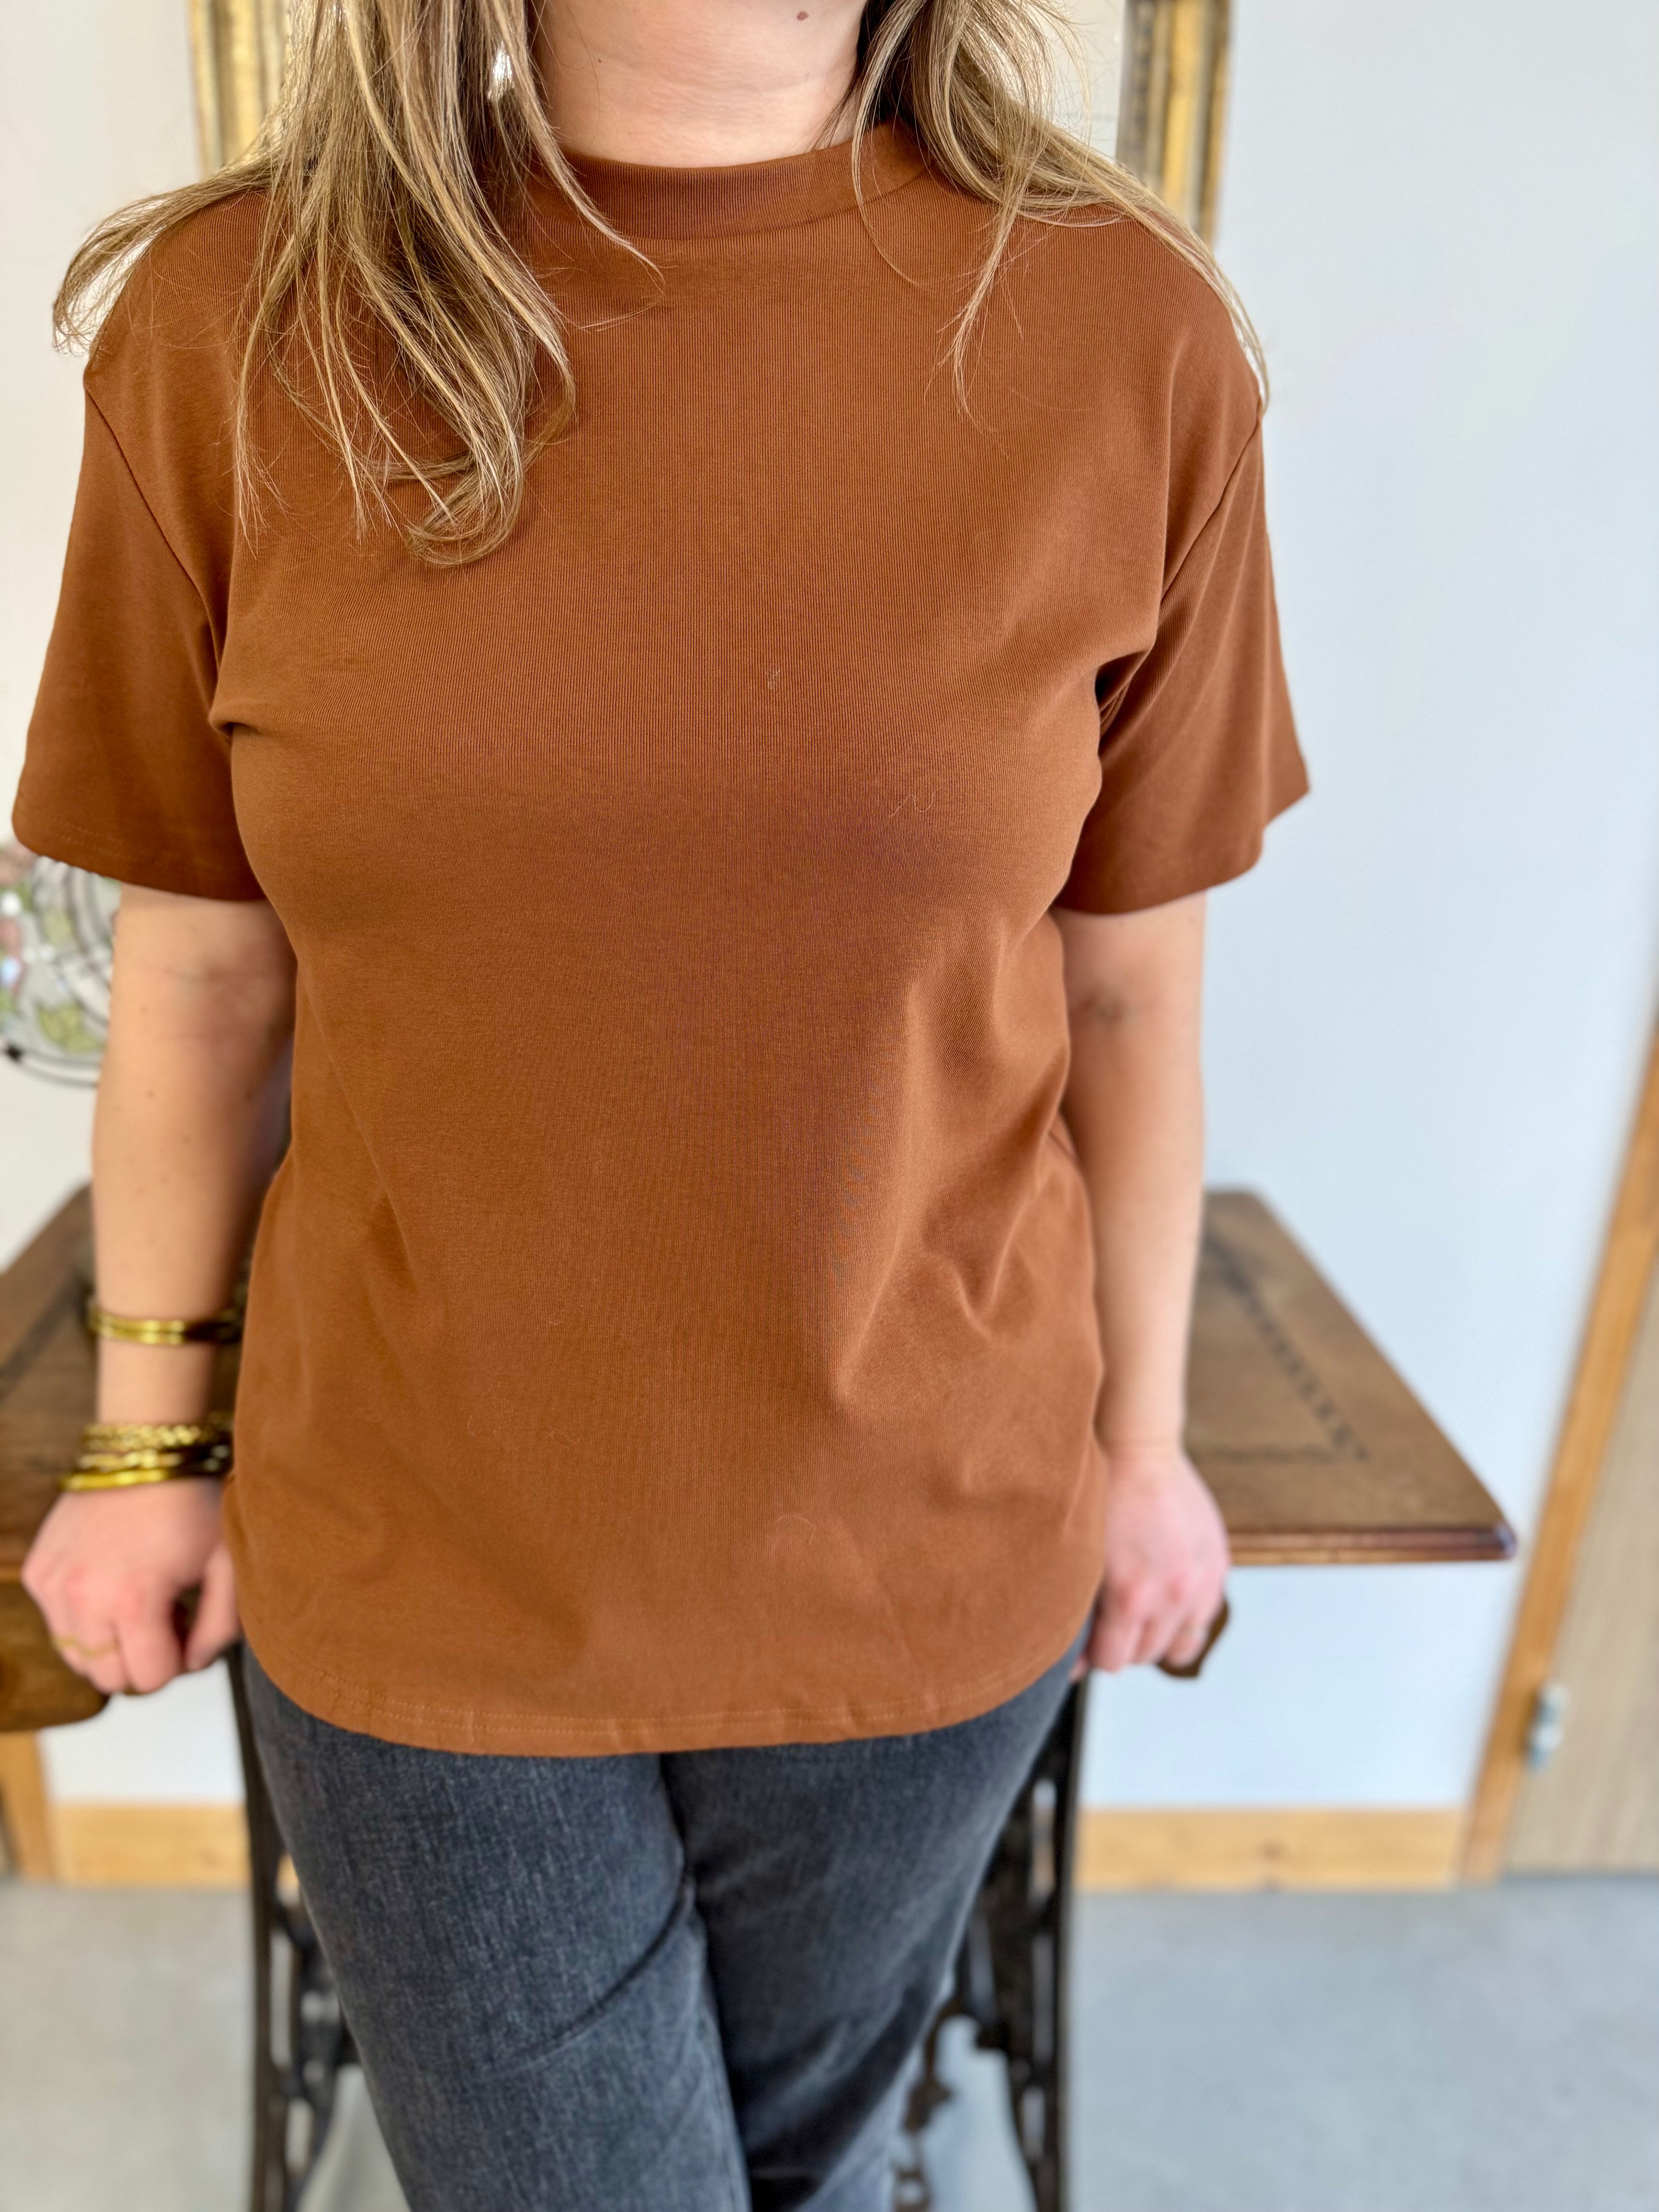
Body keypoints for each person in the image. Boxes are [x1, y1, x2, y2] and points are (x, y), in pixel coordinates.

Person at [15, 2, 1305, 2205]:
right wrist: (150, 1441)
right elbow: (204, 975)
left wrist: (1150, 1449)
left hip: (926, 1551)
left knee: (802, 2175)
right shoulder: (235, 323)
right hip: (420, 1546)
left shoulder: (1128, 331)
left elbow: (1125, 995)